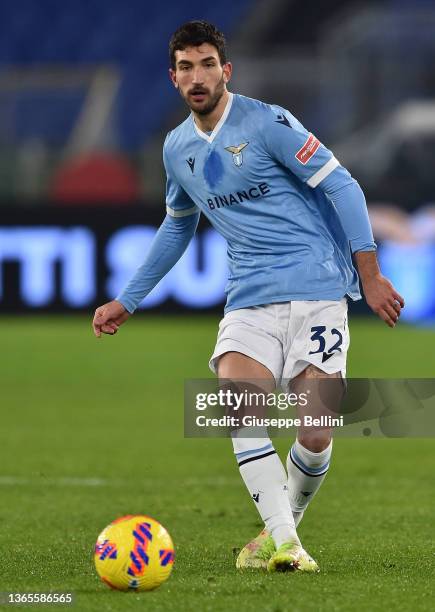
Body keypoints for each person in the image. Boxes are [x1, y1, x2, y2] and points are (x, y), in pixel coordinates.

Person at [92, 20, 405, 573]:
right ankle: (288, 546)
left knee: (314, 429)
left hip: (317, 288)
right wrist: (128, 299)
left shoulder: (269, 122)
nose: (197, 76)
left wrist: (371, 274)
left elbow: (343, 185)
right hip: (249, 298)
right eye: (186, 66)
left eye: (207, 63)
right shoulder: (177, 149)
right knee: (239, 403)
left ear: (225, 70)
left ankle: (281, 530)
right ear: (173, 78)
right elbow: (176, 227)